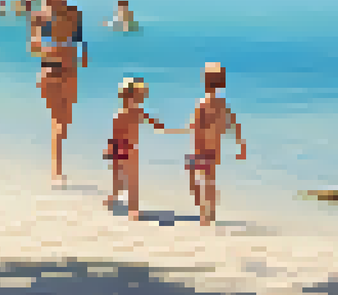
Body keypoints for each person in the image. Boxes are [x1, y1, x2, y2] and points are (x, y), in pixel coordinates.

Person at [29, 0, 86, 186]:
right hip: (50, 69)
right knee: (57, 121)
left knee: (66, 120)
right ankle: (56, 170)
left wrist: (83, 54)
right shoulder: (40, 16)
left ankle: (58, 168)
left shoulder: (74, 12)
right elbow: (33, 46)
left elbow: (79, 39)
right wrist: (55, 50)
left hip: (71, 70)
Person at [178, 62, 246, 226]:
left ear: (204, 81)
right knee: (210, 181)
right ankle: (211, 212)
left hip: (199, 149)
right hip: (214, 150)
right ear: (222, 83)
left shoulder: (202, 104)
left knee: (196, 182)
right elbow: (234, 124)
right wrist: (240, 144)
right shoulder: (222, 104)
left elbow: (194, 127)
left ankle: (203, 213)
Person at [105, 77, 170, 221]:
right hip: (120, 147)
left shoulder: (136, 111)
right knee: (120, 179)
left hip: (129, 148)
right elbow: (115, 133)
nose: (135, 99)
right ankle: (115, 198)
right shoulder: (125, 113)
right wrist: (110, 150)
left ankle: (133, 208)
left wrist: (159, 126)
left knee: (131, 179)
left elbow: (152, 121)